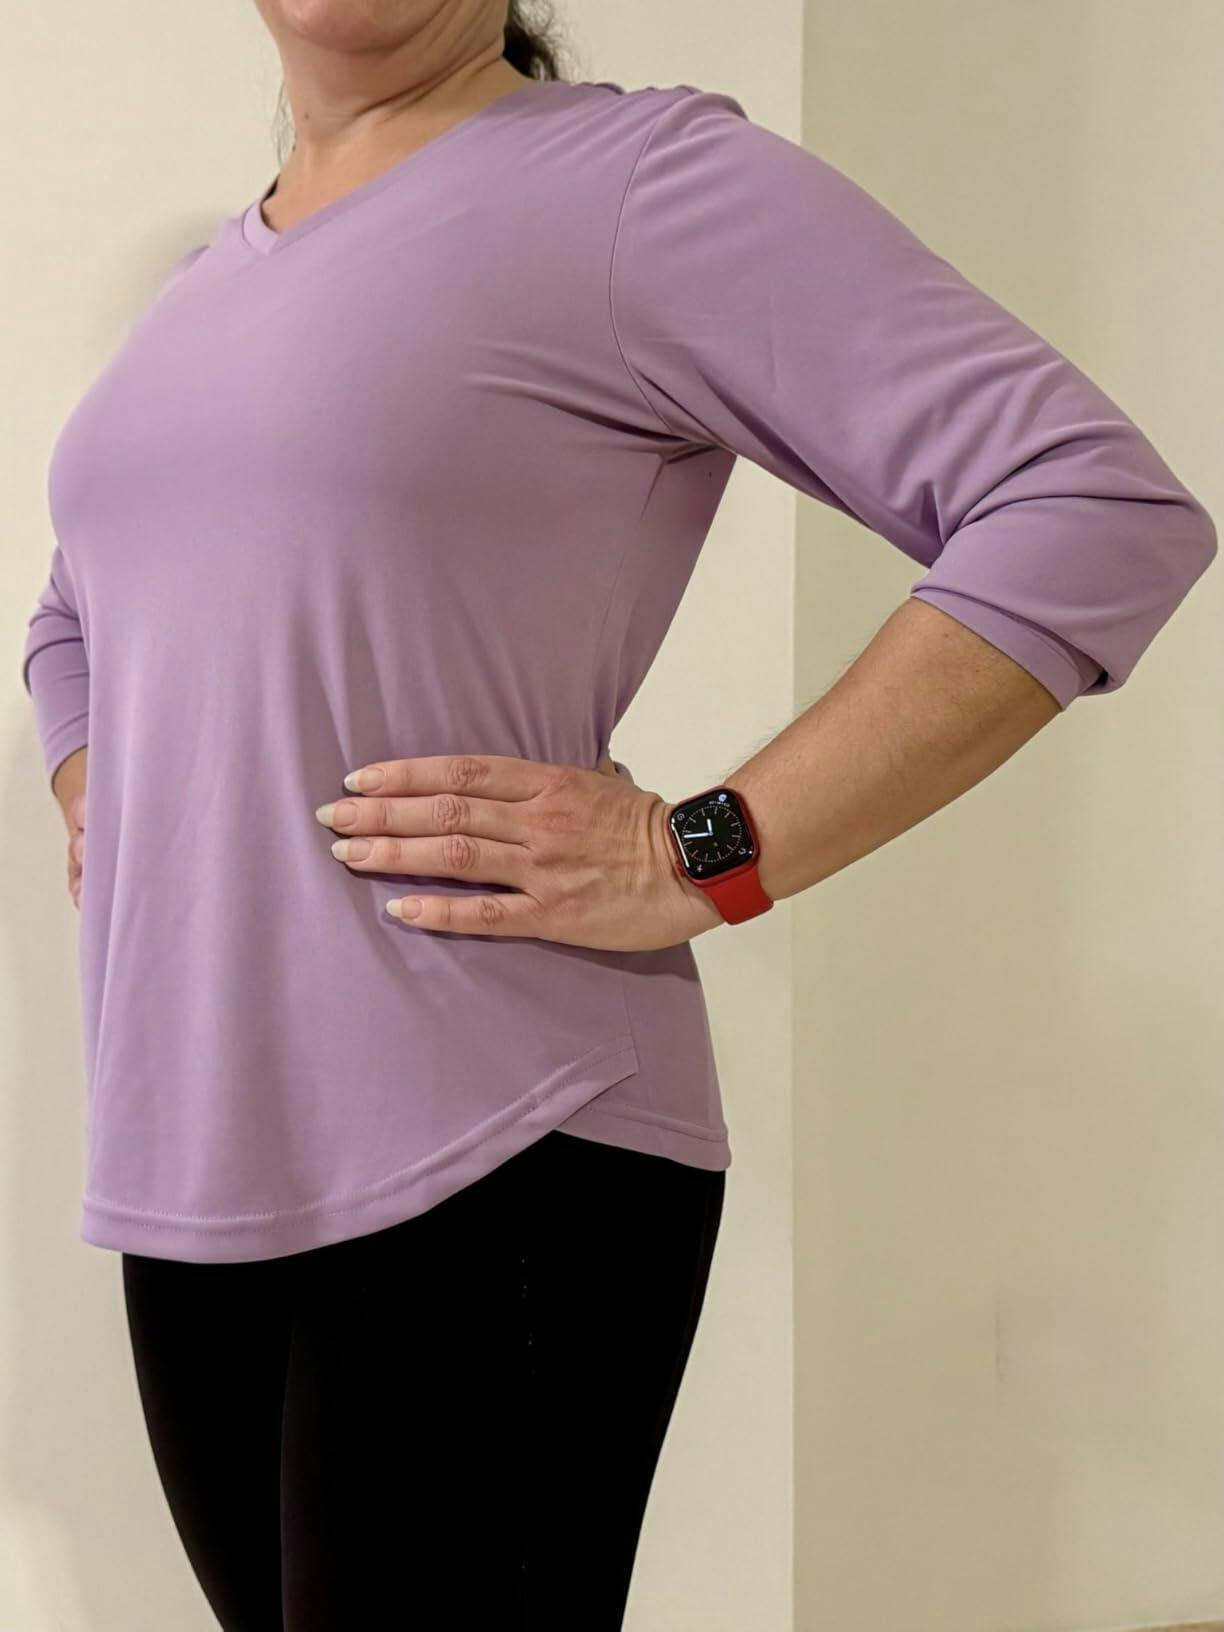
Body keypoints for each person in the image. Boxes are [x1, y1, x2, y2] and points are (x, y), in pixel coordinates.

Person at [20, 0, 1217, 1626]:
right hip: (191, 1147)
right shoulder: (205, 287)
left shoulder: (633, 185)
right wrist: (105, 782)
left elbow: (1089, 506)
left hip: (493, 1133)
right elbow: (72, 615)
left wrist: (696, 851)